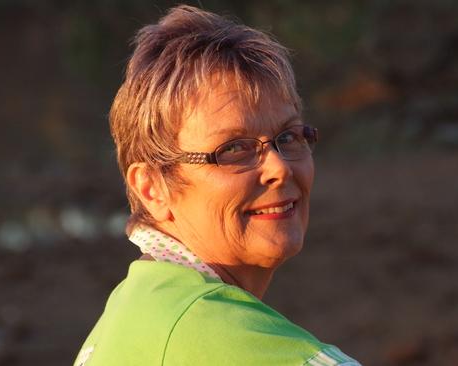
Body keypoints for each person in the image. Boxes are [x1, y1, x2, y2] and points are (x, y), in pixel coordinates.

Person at [73, 5, 361, 366]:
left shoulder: (134, 309)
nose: (279, 168)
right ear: (152, 188)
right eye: (234, 149)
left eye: (288, 136)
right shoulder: (216, 336)